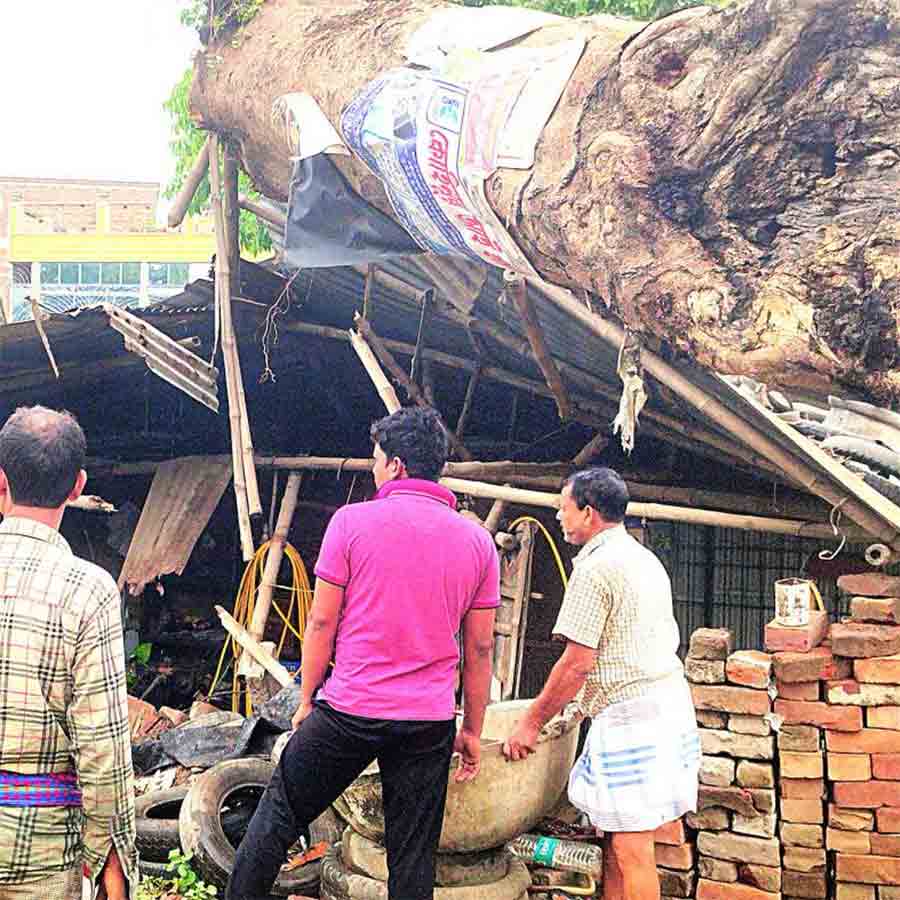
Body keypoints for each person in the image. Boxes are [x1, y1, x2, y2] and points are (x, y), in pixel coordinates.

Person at [228, 407, 499, 900]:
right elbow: (479, 648)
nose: (373, 469)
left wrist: (307, 697)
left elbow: (322, 621)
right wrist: (473, 730)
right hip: (427, 722)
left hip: (350, 709)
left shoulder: (351, 523)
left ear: (396, 465)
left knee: (279, 815)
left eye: (376, 459)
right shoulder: (477, 541)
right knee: (412, 855)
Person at [503, 467, 699, 900]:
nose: (558, 517)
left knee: (632, 848)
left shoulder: (596, 569)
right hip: (662, 705)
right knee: (615, 840)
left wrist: (531, 723)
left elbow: (576, 664)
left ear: (588, 513)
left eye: (563, 508)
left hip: (635, 718)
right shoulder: (640, 557)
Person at [0, 406, 136, 900]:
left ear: (0, 481)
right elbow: (103, 747)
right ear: (78, 486)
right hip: (40, 848)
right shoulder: (88, 590)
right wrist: (109, 857)